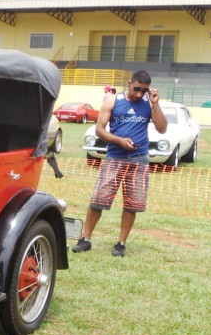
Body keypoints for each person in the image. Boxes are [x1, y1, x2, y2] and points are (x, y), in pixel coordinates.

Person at [72, 70, 167, 257]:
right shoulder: (113, 101)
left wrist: (155, 105)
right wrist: (120, 141)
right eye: (136, 89)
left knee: (132, 204)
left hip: (139, 160)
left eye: (144, 90)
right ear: (129, 83)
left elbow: (162, 129)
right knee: (98, 200)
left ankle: (121, 243)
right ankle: (86, 239)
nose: (139, 94)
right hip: (115, 158)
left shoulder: (149, 103)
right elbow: (100, 130)